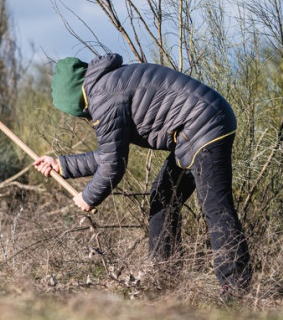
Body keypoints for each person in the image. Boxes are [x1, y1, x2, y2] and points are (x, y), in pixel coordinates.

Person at [33, 54, 252, 294]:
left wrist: (89, 197)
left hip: (203, 126)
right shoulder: (107, 86)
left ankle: (234, 288)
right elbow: (109, 154)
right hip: (198, 127)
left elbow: (112, 166)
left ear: (72, 99)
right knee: (163, 197)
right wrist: (61, 165)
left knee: (216, 207)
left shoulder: (103, 97)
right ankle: (164, 279)